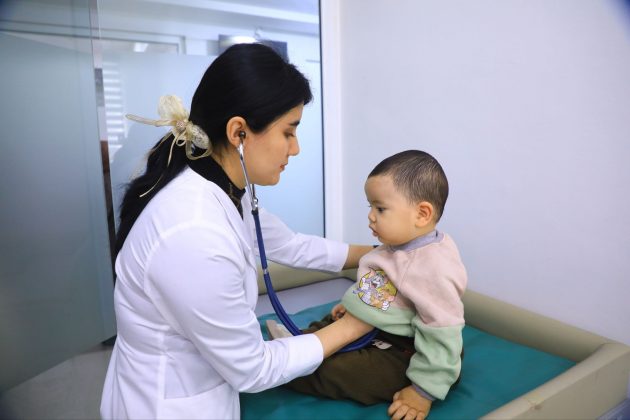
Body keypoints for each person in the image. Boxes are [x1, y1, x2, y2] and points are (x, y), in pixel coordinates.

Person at [99, 43, 374, 419]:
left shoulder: (217, 185)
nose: (295, 149)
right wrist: (354, 326)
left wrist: (375, 253)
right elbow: (253, 369)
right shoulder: (193, 233)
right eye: (289, 132)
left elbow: (290, 245)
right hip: (169, 405)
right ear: (239, 132)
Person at [267, 150, 467, 420]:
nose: (371, 217)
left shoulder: (432, 267)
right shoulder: (396, 246)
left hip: (410, 351)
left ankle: (291, 370)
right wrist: (356, 306)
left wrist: (423, 392)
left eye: (380, 209)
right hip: (381, 328)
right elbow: (384, 285)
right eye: (370, 207)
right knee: (332, 321)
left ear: (422, 214)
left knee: (344, 373)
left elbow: (442, 333)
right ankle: (299, 340)